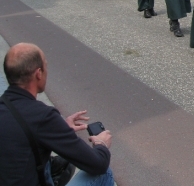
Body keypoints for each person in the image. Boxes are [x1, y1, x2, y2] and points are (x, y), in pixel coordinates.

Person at [0, 43, 114, 186]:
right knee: (104, 173)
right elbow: (98, 164)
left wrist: (61, 128)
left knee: (63, 164)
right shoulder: (42, 116)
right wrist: (101, 144)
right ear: (38, 73)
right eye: (45, 66)